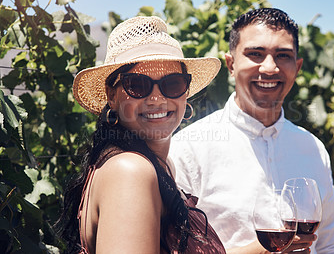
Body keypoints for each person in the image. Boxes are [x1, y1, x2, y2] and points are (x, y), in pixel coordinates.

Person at [170, 8, 334, 253]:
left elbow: (328, 245)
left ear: (298, 66)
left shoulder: (313, 149)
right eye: (256, 54)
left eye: (283, 55)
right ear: (231, 64)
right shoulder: (188, 149)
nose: (270, 68)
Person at [56, 16, 226, 253]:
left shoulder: (160, 166)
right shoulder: (131, 171)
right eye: (137, 84)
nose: (157, 98)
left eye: (173, 83)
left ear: (185, 94)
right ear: (111, 96)